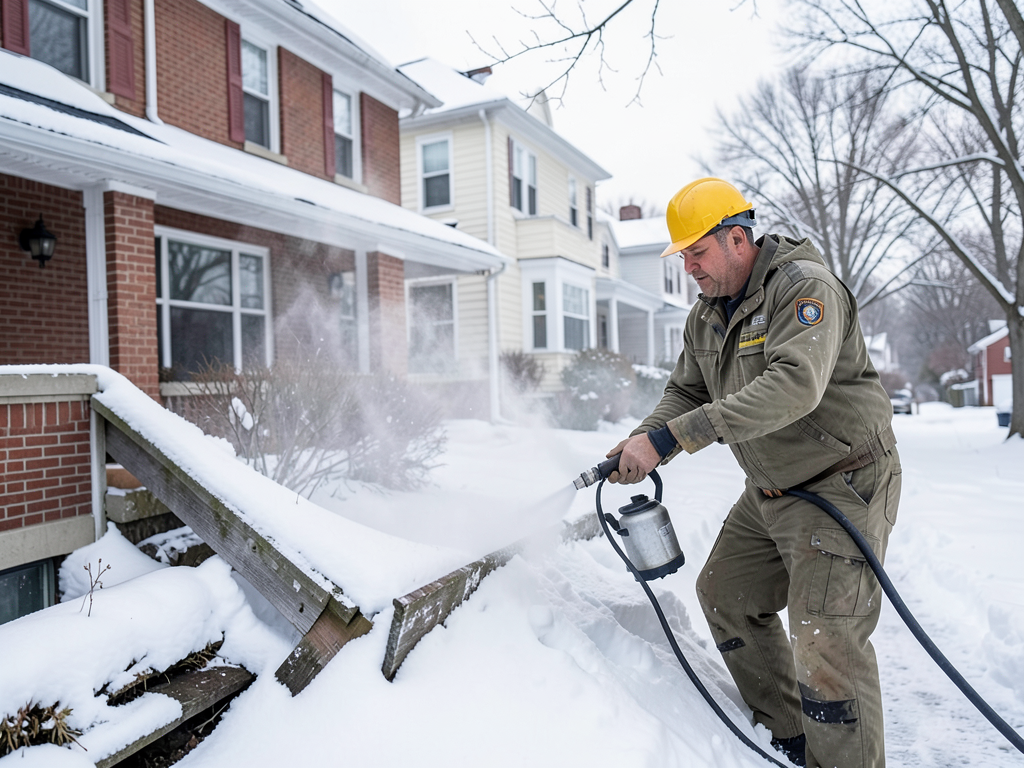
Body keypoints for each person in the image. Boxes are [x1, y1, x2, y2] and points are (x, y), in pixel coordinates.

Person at [607, 178, 900, 768]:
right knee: (726, 595)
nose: (688, 267)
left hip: (840, 482)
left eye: (697, 252)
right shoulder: (706, 315)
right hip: (770, 488)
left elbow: (795, 386)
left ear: (737, 238)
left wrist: (676, 438)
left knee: (827, 646)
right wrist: (646, 438)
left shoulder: (803, 290)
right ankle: (789, 741)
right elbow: (685, 390)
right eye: (683, 256)